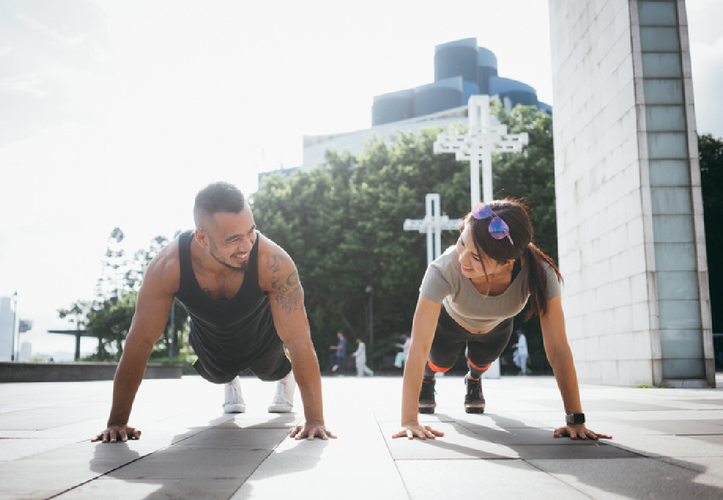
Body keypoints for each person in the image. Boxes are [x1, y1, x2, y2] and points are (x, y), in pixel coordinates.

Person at [93, 182, 334, 443]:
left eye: (250, 232)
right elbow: (140, 341)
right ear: (202, 238)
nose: (246, 246)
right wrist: (117, 421)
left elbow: (299, 339)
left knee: (270, 372)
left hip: (263, 339)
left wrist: (314, 420)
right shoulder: (168, 266)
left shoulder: (273, 263)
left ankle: (284, 377)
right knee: (219, 374)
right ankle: (230, 381)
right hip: (210, 342)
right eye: (233, 240)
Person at [393, 199, 611, 442]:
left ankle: (473, 381)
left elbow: (559, 349)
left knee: (480, 363)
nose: (462, 259)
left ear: (506, 262)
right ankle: (428, 378)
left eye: (475, 257)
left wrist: (576, 420)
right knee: (440, 364)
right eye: (461, 243)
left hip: (496, 327)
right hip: (450, 326)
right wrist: (410, 421)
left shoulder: (540, 273)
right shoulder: (443, 270)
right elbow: (419, 347)